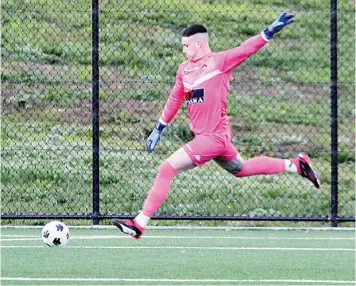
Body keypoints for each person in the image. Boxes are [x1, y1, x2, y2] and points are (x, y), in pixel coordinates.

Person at [113, 12, 320, 239]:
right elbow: (175, 99)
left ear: (199, 44)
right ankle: (295, 165)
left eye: (186, 46)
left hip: (212, 138)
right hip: (214, 138)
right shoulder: (184, 70)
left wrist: (267, 33)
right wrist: (159, 128)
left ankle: (139, 224)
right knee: (241, 169)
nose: (183, 50)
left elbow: (245, 49)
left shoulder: (218, 62)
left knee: (166, 169)